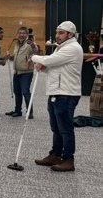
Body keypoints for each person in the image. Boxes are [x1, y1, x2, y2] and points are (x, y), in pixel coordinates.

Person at [31, 20, 84, 172]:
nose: (57, 35)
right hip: (56, 91)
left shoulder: (73, 48)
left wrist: (36, 58)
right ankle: (55, 155)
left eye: (61, 33)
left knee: (65, 128)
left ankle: (68, 159)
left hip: (66, 94)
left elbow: (49, 60)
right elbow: (54, 67)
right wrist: (44, 68)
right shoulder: (61, 48)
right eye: (57, 32)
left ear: (70, 34)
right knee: (56, 127)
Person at [5, 26, 36, 117]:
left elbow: (35, 51)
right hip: (17, 72)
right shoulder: (17, 44)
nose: (21, 35)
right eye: (20, 33)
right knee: (17, 92)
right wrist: (9, 56)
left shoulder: (29, 44)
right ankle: (18, 111)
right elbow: (16, 56)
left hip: (26, 72)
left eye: (23, 33)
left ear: (27, 34)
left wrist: (33, 45)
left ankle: (30, 111)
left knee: (25, 92)